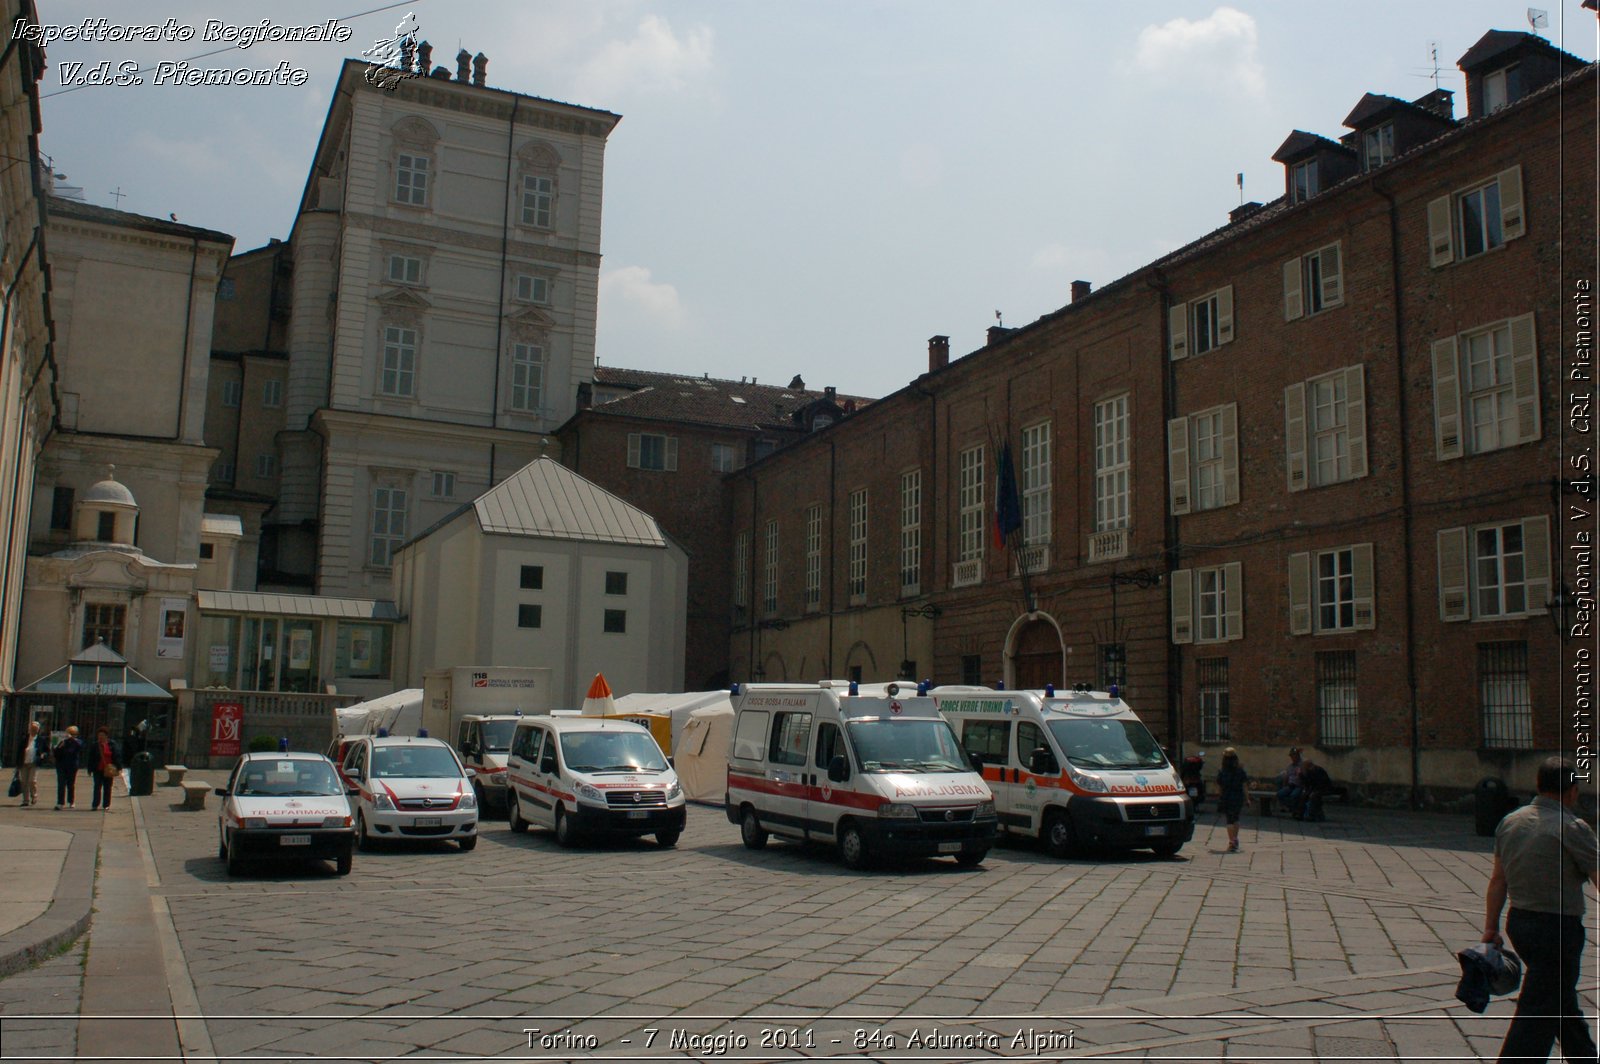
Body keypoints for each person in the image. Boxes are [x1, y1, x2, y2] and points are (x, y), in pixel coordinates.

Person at [1482, 757, 1600, 1063]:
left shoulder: (1511, 821)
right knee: (1538, 1009)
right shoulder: (1572, 827)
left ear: (1538, 786)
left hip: (1519, 923)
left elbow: (1498, 880)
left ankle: (1584, 1057)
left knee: (1557, 998)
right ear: (1572, 791)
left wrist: (1490, 928)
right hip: (1558, 929)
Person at [1216, 747, 1247, 853]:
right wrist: (1247, 798)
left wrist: (1220, 797)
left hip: (1227, 796)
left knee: (1229, 819)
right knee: (1236, 818)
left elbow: (1220, 786)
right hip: (1238, 796)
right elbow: (1244, 786)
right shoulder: (1240, 770)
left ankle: (1231, 841)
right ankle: (1235, 839)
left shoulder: (1222, 771)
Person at [86, 726, 121, 811]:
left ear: (106, 736)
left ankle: (106, 805)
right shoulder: (95, 745)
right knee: (97, 787)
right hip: (98, 769)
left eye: (102, 735)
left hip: (109, 769)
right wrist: (90, 769)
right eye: (99, 735)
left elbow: (116, 756)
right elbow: (91, 758)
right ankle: (95, 804)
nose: (100, 737)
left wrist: (118, 767)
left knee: (107, 787)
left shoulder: (112, 744)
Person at [52, 725, 82, 810]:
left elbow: (79, 747)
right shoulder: (62, 742)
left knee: (70, 784)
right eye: (68, 733)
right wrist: (59, 746)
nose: (69, 735)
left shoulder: (77, 742)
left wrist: (72, 739)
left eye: (72, 733)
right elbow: (55, 753)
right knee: (61, 784)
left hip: (72, 766)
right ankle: (60, 802)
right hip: (61, 765)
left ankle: (71, 801)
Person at [17, 720, 47, 806]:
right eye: (32, 728)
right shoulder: (24, 738)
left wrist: (43, 755)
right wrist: (17, 764)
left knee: (32, 781)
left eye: (35, 729)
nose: (33, 730)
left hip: (34, 763)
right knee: (24, 782)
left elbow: (46, 750)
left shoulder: (41, 739)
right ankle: (25, 800)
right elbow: (19, 751)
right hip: (24, 763)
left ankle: (34, 796)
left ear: (38, 730)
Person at [1297, 757, 1333, 822]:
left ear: (1308, 765)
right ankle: (1300, 814)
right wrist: (1301, 775)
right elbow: (1307, 783)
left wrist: (1313, 791)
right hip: (1315, 789)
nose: (1303, 768)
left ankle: (1311, 815)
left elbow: (1322, 784)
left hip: (1324, 789)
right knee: (1303, 796)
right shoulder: (1309, 771)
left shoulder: (1318, 770)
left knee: (1314, 797)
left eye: (1304, 766)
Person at [1276, 747, 1305, 817]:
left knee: (1294, 795)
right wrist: (1285, 784)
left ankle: (1295, 810)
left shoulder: (1302, 765)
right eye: (1291, 756)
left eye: (1294, 756)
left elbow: (1305, 777)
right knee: (1280, 794)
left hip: (1299, 786)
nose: (1292, 758)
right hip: (1290, 786)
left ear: (1297, 756)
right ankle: (1291, 808)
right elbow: (1287, 777)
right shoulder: (1290, 766)